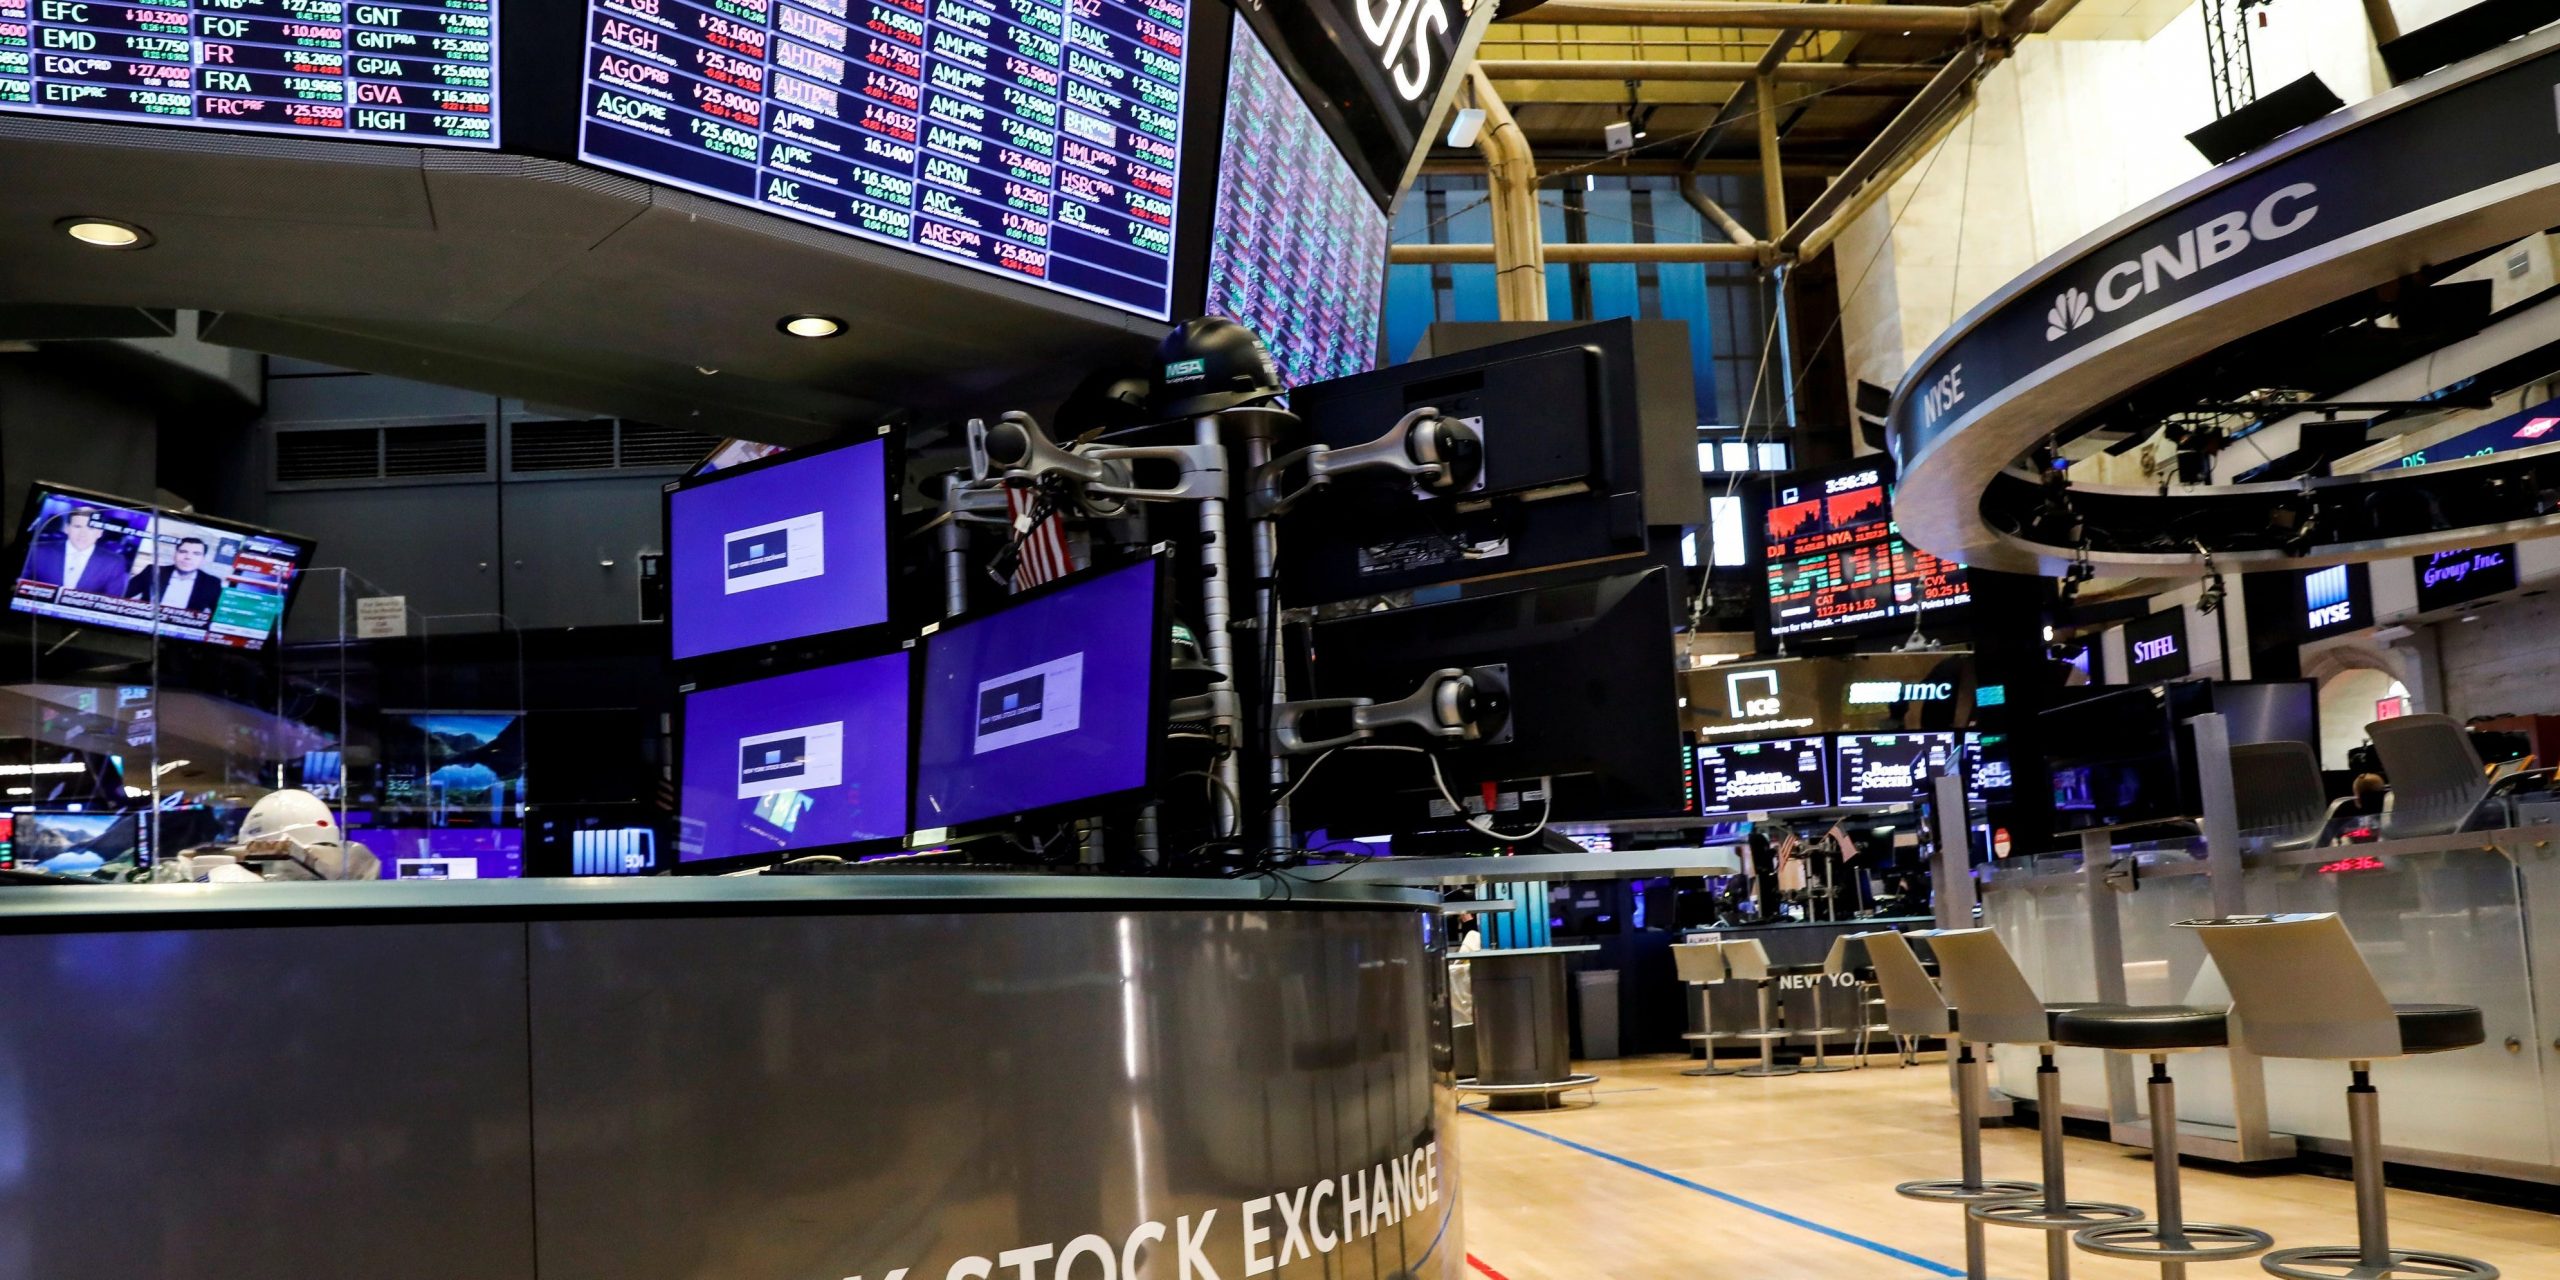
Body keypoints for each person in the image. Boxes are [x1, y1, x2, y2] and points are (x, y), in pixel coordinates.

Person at [23, 506, 134, 596]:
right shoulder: (37, 550)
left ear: (99, 532)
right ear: (67, 528)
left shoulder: (114, 562)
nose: (83, 534)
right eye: (77, 526)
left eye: (91, 528)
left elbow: (112, 603)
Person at [127, 535, 224, 613]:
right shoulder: (152, 571)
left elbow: (219, 615)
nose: (188, 557)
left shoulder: (212, 583)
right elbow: (121, 595)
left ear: (203, 559)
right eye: (183, 551)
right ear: (175, 554)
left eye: (196, 554)